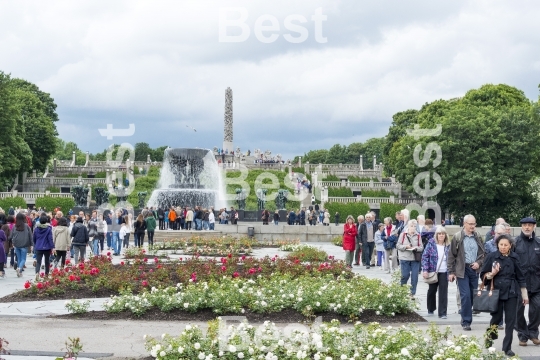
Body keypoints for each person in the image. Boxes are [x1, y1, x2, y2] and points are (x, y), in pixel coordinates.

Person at [481, 234, 528, 356]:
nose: (503, 247)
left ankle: (507, 347)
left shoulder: (515, 257)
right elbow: (483, 275)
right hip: (496, 290)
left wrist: (525, 295)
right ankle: (490, 338)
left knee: (510, 321)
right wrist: (492, 273)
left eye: (505, 245)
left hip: (511, 291)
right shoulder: (492, 256)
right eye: (501, 244)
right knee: (496, 319)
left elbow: (521, 277)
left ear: (510, 246)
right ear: (497, 245)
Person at [447, 214, 485, 331]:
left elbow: (483, 254)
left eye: (474, 224)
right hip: (461, 270)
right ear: (464, 224)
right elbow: (451, 255)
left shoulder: (478, 236)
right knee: (465, 296)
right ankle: (466, 321)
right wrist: (451, 272)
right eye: (470, 224)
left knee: (473, 295)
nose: (473, 226)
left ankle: (466, 315)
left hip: (474, 270)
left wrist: (479, 263)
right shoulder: (458, 237)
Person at [514, 217, 540, 347]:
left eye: (530, 225)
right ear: (521, 227)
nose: (527, 227)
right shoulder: (515, 243)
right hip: (520, 284)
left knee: (537, 308)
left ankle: (533, 333)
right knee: (518, 310)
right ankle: (523, 335)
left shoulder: (538, 243)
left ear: (534, 226)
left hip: (536, 283)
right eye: (525, 225)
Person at [421, 226, 450, 319]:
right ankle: (430, 309)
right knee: (432, 290)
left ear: (445, 235)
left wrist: (452, 272)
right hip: (433, 271)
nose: (441, 236)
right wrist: (425, 270)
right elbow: (425, 256)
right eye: (439, 234)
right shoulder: (431, 243)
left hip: (444, 271)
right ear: (436, 235)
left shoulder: (448, 245)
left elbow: (452, 259)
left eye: (443, 234)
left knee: (443, 292)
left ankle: (442, 313)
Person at [397, 219, 423, 297]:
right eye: (411, 226)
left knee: (414, 277)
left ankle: (412, 293)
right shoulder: (403, 235)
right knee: (405, 275)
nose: (413, 228)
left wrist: (416, 248)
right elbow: (398, 246)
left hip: (415, 258)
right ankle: (402, 291)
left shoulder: (418, 235)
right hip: (404, 258)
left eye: (415, 226)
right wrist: (406, 247)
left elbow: (421, 247)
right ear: (408, 226)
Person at [10, 213, 33, 277]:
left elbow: (11, 235)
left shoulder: (15, 226)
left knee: (19, 258)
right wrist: (32, 244)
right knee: (23, 259)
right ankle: (19, 268)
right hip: (24, 244)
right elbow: (30, 236)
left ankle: (19, 271)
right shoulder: (27, 226)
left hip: (16, 244)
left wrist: (12, 242)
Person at [34, 213, 55, 280]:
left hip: (38, 246)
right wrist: (52, 247)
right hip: (47, 247)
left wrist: (35, 244)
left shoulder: (36, 229)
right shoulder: (48, 229)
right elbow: (50, 239)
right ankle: (46, 274)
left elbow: (34, 238)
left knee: (38, 261)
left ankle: (37, 272)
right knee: (47, 261)